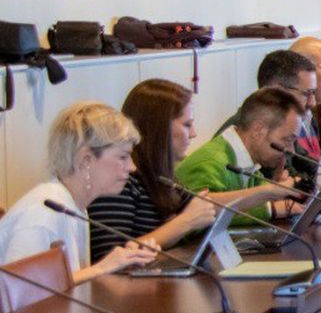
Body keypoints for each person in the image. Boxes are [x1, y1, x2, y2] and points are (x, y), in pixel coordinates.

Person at [88, 80, 287, 262]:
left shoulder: (159, 176)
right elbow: (111, 256)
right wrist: (184, 222)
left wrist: (269, 192)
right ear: (159, 127)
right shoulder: (120, 179)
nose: (194, 134)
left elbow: (206, 205)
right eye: (187, 124)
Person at [0, 103, 159, 283]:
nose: (132, 167)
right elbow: (21, 295)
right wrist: (102, 268)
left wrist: (125, 261)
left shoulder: (74, 205)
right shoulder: (42, 215)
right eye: (123, 157)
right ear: (86, 160)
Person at [176, 88, 306, 223]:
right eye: (287, 140)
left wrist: (276, 193)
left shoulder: (247, 159)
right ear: (258, 130)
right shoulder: (209, 164)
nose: (292, 150)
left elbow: (255, 196)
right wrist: (269, 208)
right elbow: (198, 219)